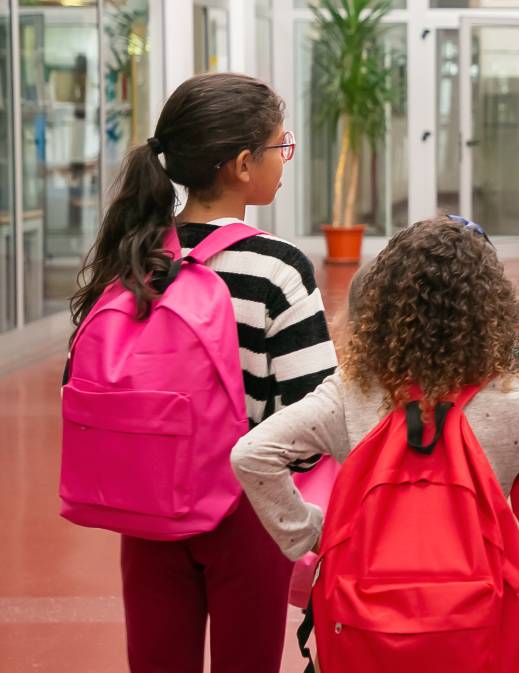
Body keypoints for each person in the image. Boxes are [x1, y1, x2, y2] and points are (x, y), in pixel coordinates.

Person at [68, 73, 337, 673]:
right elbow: (316, 409)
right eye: (279, 147)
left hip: (146, 505)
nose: (284, 159)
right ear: (243, 164)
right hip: (246, 508)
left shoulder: (135, 255)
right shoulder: (277, 268)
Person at [230, 215, 519, 595]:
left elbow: (252, 455)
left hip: (367, 607)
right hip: (476, 606)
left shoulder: (349, 394)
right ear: (491, 312)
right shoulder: (516, 402)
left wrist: (314, 535)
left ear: (382, 306)